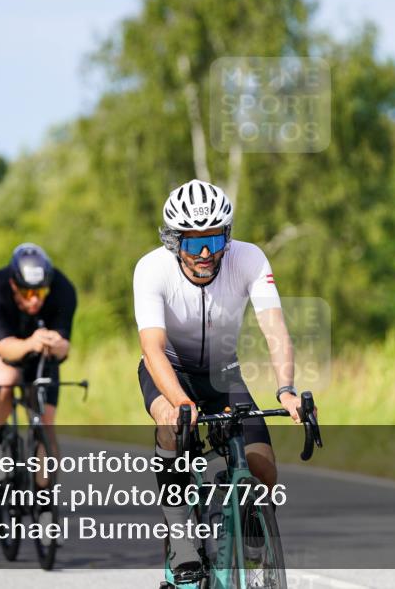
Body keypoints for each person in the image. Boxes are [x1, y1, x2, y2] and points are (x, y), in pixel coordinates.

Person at [133, 179, 303, 578]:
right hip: (168, 371)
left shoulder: (249, 258)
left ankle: (250, 540)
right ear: (175, 242)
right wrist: (180, 403)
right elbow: (152, 348)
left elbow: (275, 330)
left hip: (223, 372)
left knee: (262, 468)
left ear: (228, 234)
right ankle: (180, 535)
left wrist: (287, 389)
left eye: (214, 239)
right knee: (171, 429)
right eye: (193, 243)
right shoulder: (151, 269)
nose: (206, 252)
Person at [0, 243, 77, 475]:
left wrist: (56, 344)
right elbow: (6, 349)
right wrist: (31, 343)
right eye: (27, 293)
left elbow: (64, 347)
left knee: (45, 423)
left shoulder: (63, 289)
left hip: (38, 343)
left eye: (40, 293)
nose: (35, 300)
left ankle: (46, 502)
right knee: (6, 379)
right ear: (13, 284)